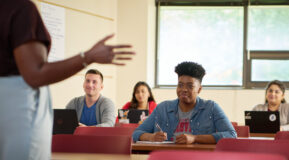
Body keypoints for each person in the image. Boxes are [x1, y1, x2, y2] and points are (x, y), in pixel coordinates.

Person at [0, 0, 134, 159]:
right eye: (87, 80)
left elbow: (109, 124)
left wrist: (84, 129)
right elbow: (35, 74)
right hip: (18, 113)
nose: (90, 85)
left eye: (94, 82)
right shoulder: (20, 8)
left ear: (102, 86)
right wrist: (88, 56)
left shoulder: (107, 104)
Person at [132, 62, 236, 144]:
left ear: (199, 89)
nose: (184, 89)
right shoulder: (162, 108)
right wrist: (151, 137)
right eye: (180, 85)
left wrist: (195, 138)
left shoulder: (211, 107)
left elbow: (231, 135)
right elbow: (136, 133)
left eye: (190, 86)